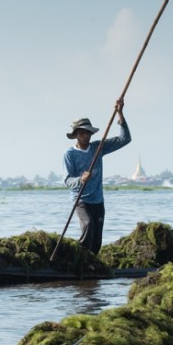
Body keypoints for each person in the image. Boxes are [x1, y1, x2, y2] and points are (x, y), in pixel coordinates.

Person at [64, 98, 131, 254]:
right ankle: (78, 258)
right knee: (88, 226)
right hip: (81, 200)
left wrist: (120, 113)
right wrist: (81, 179)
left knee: (96, 241)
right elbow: (67, 180)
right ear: (75, 135)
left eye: (87, 133)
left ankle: (92, 268)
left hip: (98, 201)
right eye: (81, 133)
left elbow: (125, 139)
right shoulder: (70, 154)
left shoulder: (98, 148)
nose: (85, 136)